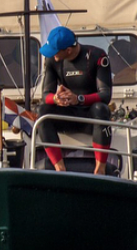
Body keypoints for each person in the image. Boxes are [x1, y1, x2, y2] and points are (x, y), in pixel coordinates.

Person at [36, 26, 113, 174]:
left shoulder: (97, 56)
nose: (52, 54)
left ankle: (100, 169)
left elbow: (105, 95)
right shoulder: (52, 60)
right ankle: (59, 168)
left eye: (55, 51)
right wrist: (56, 99)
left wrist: (78, 99)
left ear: (68, 50)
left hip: (90, 116)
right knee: (42, 111)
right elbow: (45, 95)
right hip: (68, 115)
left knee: (101, 109)